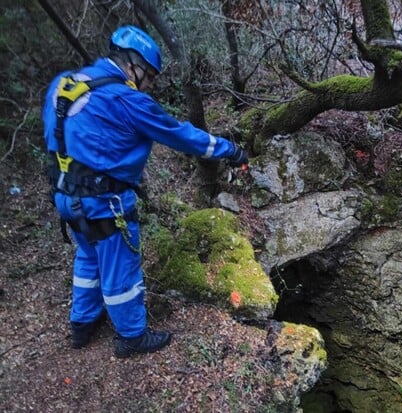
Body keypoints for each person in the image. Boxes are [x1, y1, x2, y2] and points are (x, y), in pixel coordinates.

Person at [42, 25, 248, 358]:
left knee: (88, 257)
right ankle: (132, 336)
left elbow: (57, 137)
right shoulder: (126, 99)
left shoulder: (63, 85)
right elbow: (180, 134)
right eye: (149, 76)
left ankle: (81, 326)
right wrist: (230, 150)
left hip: (66, 197)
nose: (150, 85)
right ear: (132, 64)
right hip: (103, 201)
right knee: (120, 266)